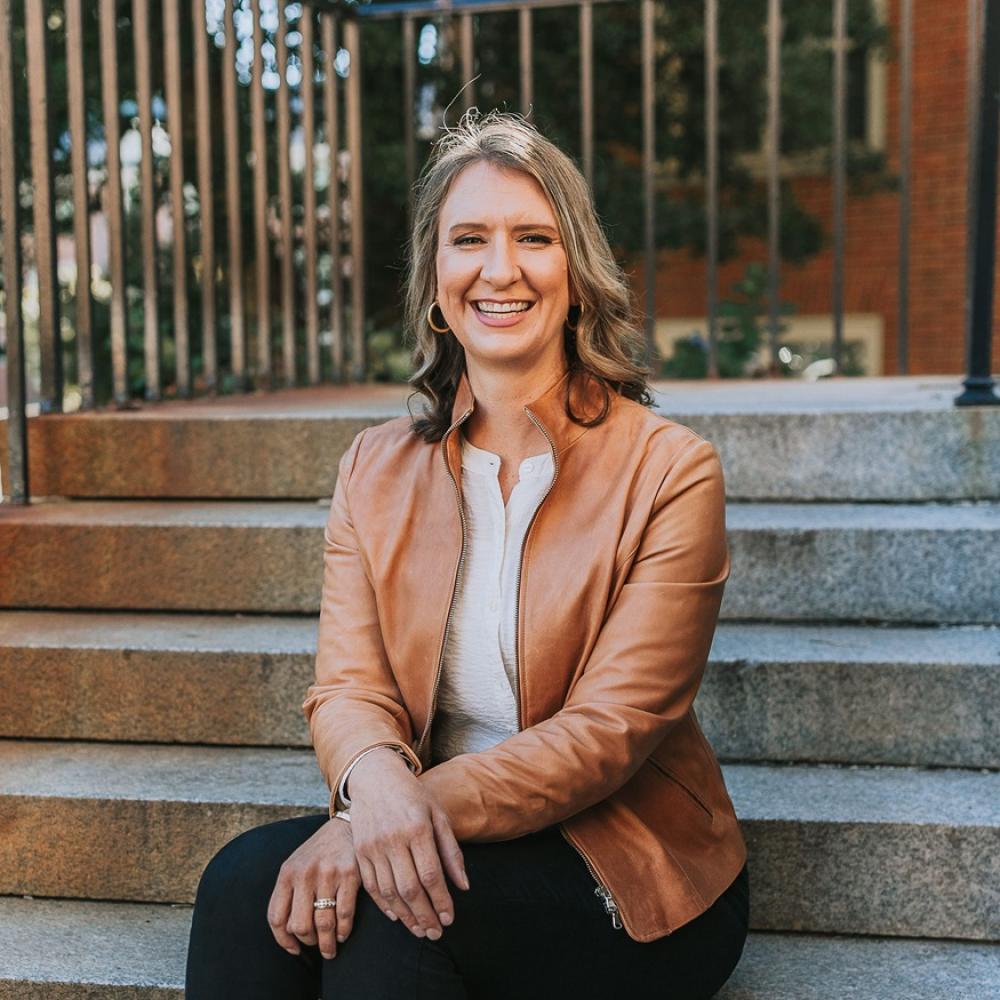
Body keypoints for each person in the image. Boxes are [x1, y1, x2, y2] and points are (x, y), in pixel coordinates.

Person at [185, 108, 749, 999]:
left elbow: (608, 734)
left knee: (387, 919)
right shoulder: (375, 468)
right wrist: (374, 789)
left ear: (576, 271)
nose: (500, 268)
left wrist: (390, 817)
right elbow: (348, 690)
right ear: (437, 280)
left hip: (628, 866)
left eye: (533, 237)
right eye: (469, 239)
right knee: (242, 891)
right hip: (445, 828)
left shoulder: (669, 470)